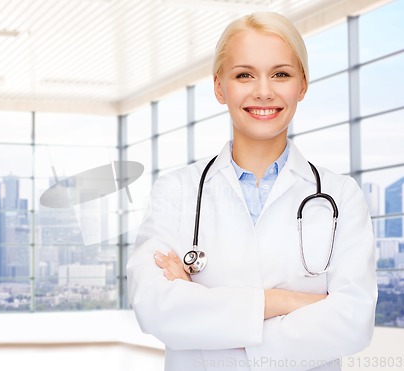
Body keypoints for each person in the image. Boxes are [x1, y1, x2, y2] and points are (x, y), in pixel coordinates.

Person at [126, 11, 377, 371]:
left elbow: (353, 320)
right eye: (244, 75)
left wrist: (208, 321)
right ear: (219, 87)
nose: (263, 91)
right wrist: (285, 301)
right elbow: (154, 307)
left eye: (281, 74)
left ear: (302, 85)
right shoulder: (176, 191)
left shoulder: (341, 196)